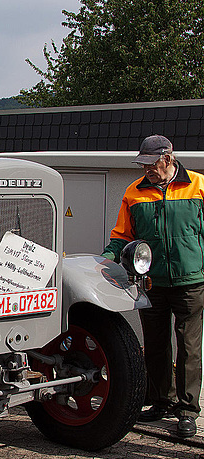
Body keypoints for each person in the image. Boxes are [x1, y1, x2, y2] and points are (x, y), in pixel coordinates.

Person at [102, 134, 204, 438]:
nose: (146, 169)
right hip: (151, 282)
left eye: (151, 164)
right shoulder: (134, 193)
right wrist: (105, 260)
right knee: (156, 345)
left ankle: (186, 411)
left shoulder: (198, 186)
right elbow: (122, 236)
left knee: (188, 347)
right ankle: (162, 401)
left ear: (168, 159)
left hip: (192, 282)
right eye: (143, 164)